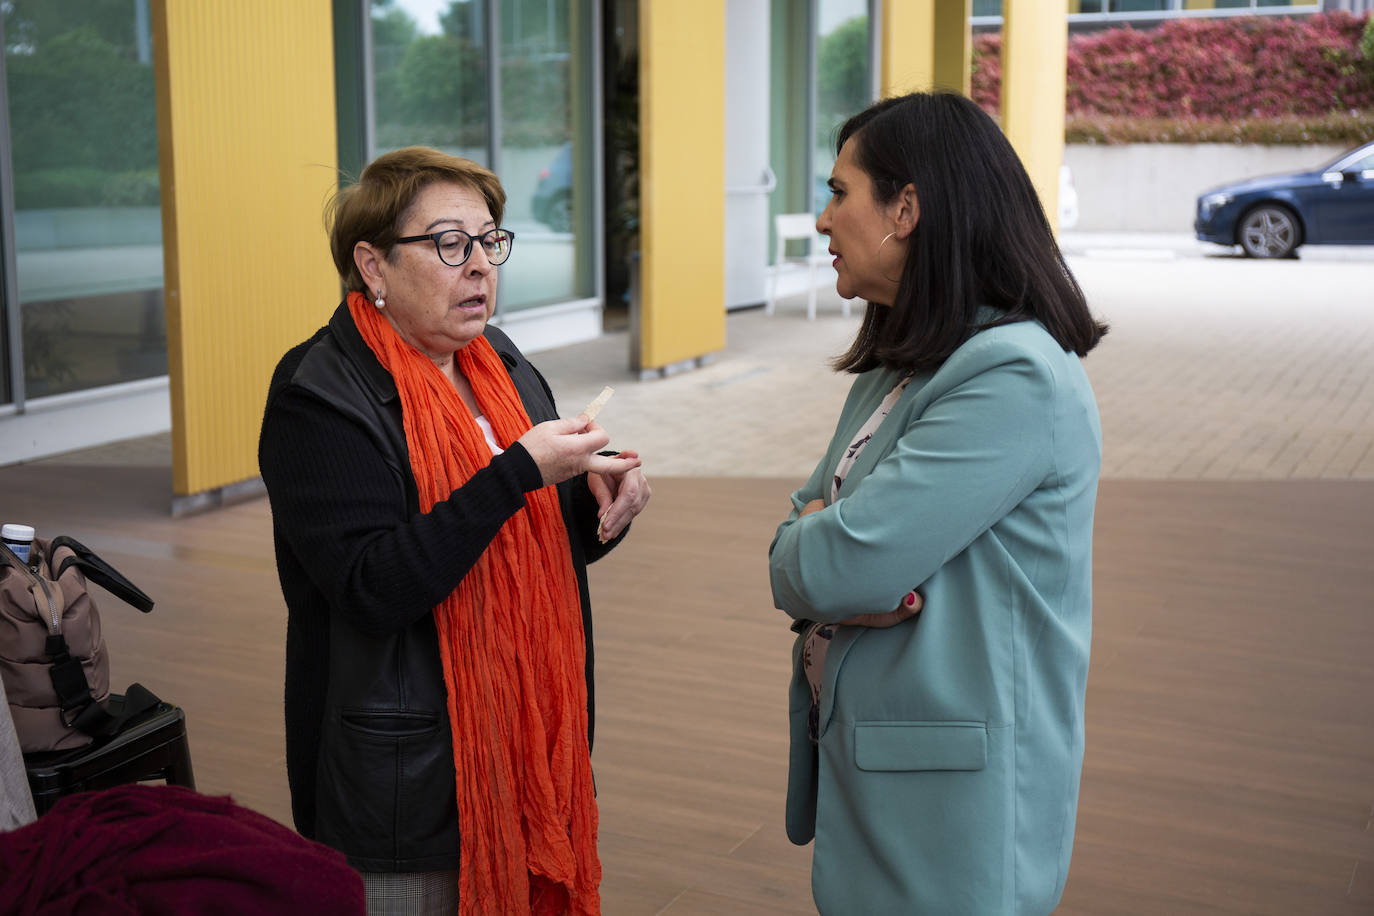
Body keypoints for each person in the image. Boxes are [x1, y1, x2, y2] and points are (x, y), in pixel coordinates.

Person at [258, 146, 649, 916]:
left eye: (489, 240)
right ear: (372, 266)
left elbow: (535, 544)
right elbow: (374, 588)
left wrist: (601, 506)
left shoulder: (496, 361)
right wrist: (517, 475)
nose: (479, 266)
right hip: (405, 777)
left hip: (523, 744)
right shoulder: (318, 395)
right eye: (448, 243)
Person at [769, 91, 1107, 915]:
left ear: (907, 209)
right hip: (885, 766)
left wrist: (819, 544)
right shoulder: (903, 360)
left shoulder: (1012, 375)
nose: (821, 219)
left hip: (956, 804)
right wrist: (816, 542)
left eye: (840, 192)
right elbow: (810, 535)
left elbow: (840, 561)